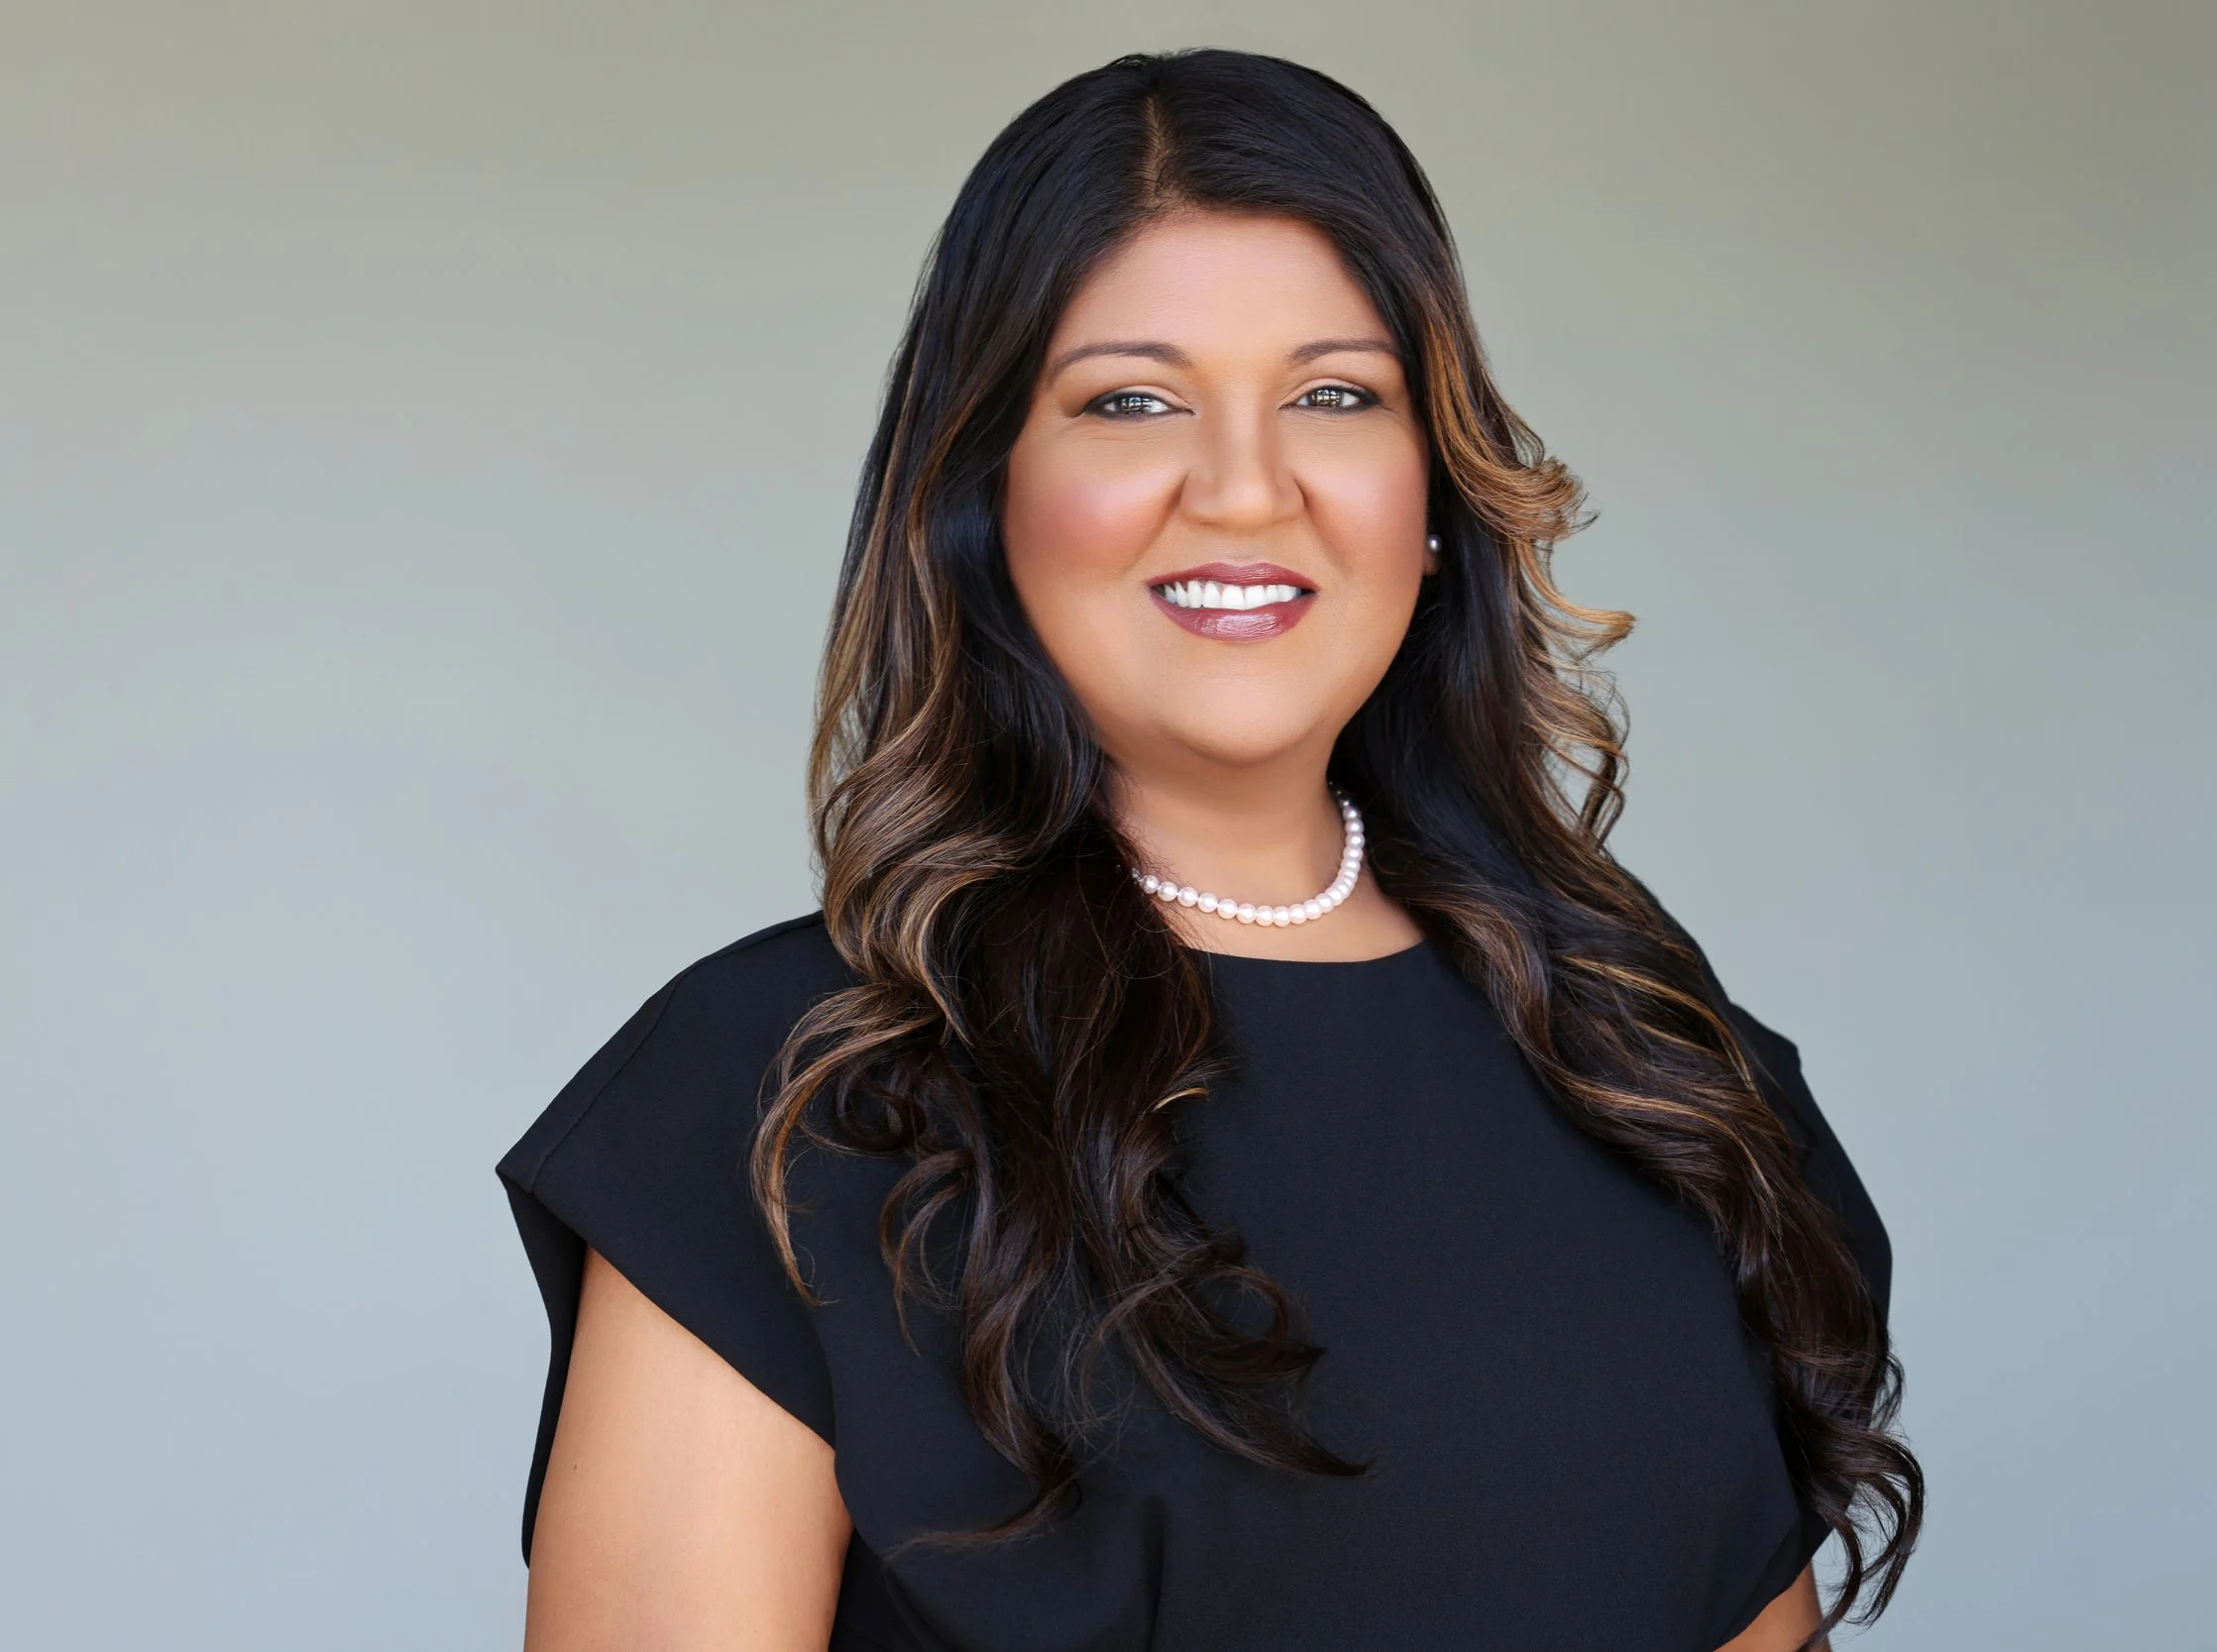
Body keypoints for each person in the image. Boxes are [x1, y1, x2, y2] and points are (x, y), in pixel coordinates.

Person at [499, 48, 1922, 1652]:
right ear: (987, 492)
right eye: (1130, 400)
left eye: (1335, 394)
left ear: (1432, 491)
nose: (1245, 489)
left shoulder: (1652, 1063)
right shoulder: (784, 1097)